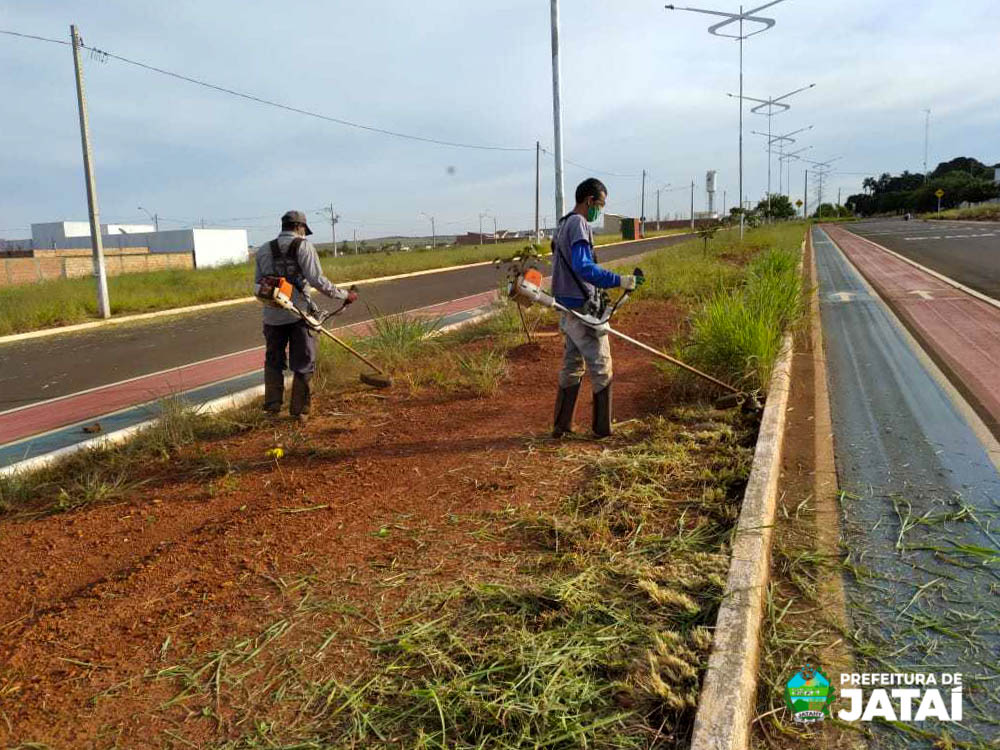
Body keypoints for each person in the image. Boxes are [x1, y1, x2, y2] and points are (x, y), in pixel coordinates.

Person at [551, 178, 643, 438]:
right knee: (601, 365)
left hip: (566, 308)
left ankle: (561, 426)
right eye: (599, 205)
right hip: (582, 310)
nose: (599, 211)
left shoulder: (562, 224)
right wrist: (619, 280)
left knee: (572, 364)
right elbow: (583, 267)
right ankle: (603, 430)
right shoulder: (579, 224)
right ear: (589, 201)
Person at [254, 210, 357, 422]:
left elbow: (257, 285)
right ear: (300, 228)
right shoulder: (304, 246)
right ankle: (299, 411)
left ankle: (272, 407)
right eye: (304, 231)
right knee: (303, 362)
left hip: (271, 316)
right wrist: (345, 294)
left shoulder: (264, 249)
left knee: (273, 361)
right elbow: (317, 280)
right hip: (299, 317)